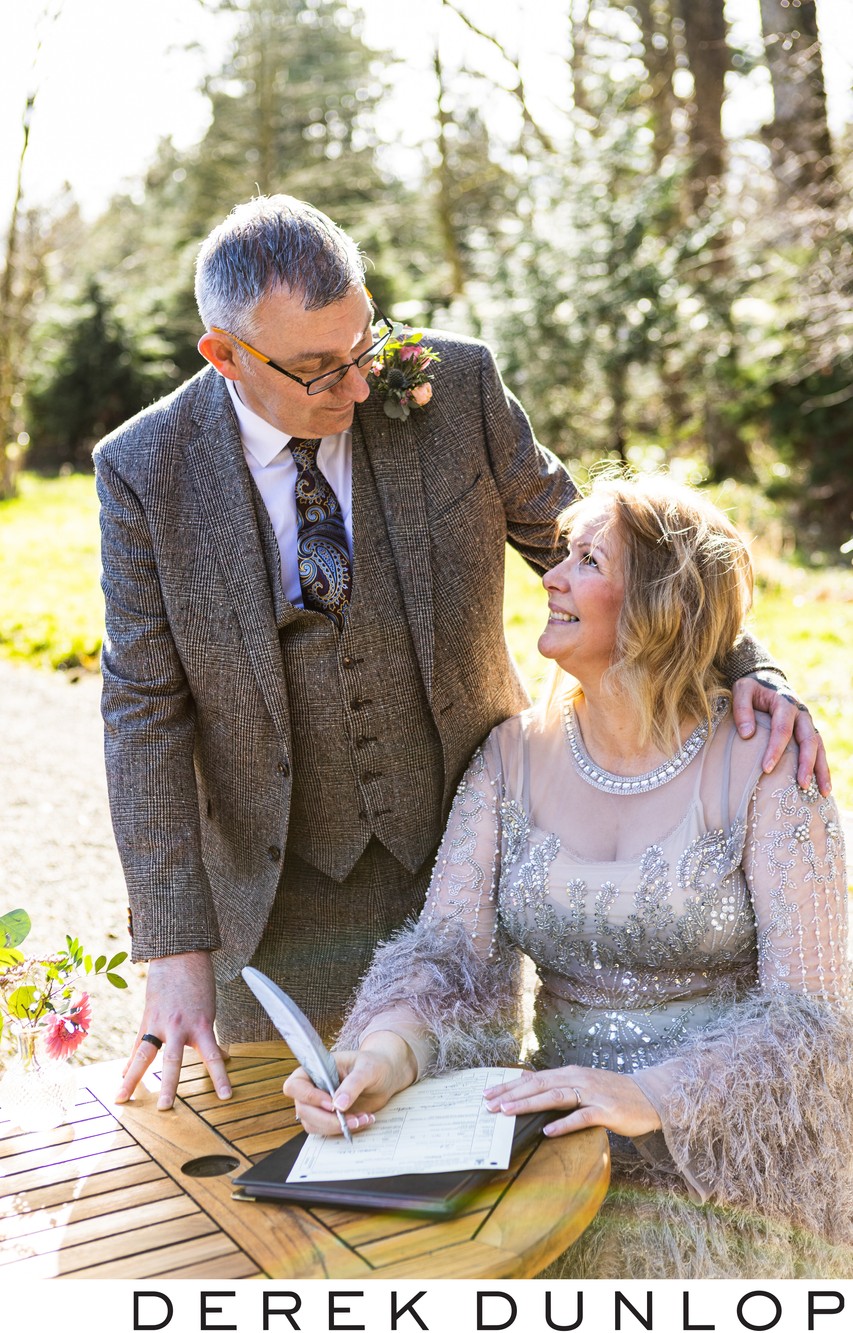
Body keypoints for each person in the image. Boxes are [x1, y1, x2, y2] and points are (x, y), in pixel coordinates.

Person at [95, 194, 824, 1112]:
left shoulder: (458, 387)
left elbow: (613, 553)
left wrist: (747, 663)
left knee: (449, 1161)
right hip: (266, 896)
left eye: (364, 347)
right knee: (286, 1154)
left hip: (457, 863)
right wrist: (175, 950)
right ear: (225, 354)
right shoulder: (142, 469)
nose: (359, 387)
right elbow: (143, 711)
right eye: (319, 370)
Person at [287, 475, 852, 1278]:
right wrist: (382, 1055)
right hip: (546, 1141)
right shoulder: (509, 755)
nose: (548, 577)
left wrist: (650, 1095)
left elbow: (811, 1019)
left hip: (725, 1167)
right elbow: (448, 959)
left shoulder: (769, 765)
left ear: (662, 603)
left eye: (585, 560)